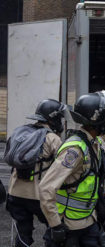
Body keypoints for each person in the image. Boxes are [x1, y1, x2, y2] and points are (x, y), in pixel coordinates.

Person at [39, 91, 105, 246]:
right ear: (97, 118)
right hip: (70, 225)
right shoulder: (75, 149)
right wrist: (56, 225)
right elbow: (45, 188)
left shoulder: (94, 142)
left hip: (88, 221)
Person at [5, 99, 65, 247]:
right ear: (53, 118)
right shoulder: (52, 138)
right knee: (53, 229)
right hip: (38, 196)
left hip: (14, 194)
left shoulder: (20, 132)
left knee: (23, 234)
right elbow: (63, 167)